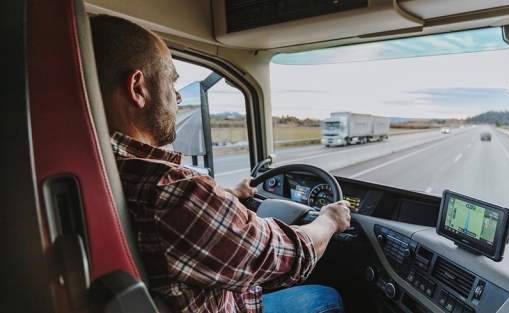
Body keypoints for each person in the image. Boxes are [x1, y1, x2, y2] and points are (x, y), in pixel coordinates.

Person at [89, 14, 352, 313]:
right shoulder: (172, 190)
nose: (177, 96)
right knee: (326, 297)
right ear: (138, 88)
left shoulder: (101, 167)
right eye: (172, 82)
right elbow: (288, 254)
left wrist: (230, 194)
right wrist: (330, 220)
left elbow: (184, 220)